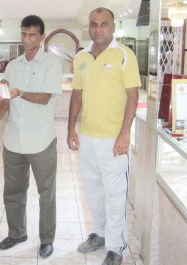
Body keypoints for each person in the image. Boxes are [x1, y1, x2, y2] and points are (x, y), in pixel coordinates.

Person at [67, 7, 140, 265]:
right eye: (94, 24)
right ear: (89, 26)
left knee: (115, 193)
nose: (98, 28)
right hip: (88, 136)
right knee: (93, 190)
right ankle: (98, 233)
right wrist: (70, 129)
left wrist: (124, 134)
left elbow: (133, 95)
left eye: (104, 24)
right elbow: (77, 94)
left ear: (113, 27)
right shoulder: (82, 57)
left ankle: (116, 246)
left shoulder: (124, 55)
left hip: (113, 139)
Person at [0, 15, 62, 258]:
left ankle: (47, 239)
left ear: (41, 37)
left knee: (46, 192)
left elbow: (45, 97)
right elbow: (6, 99)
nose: (27, 39)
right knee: (13, 191)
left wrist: (20, 92)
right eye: (23, 34)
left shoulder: (51, 64)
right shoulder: (13, 66)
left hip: (41, 141)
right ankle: (17, 232)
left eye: (32, 34)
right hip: (13, 141)